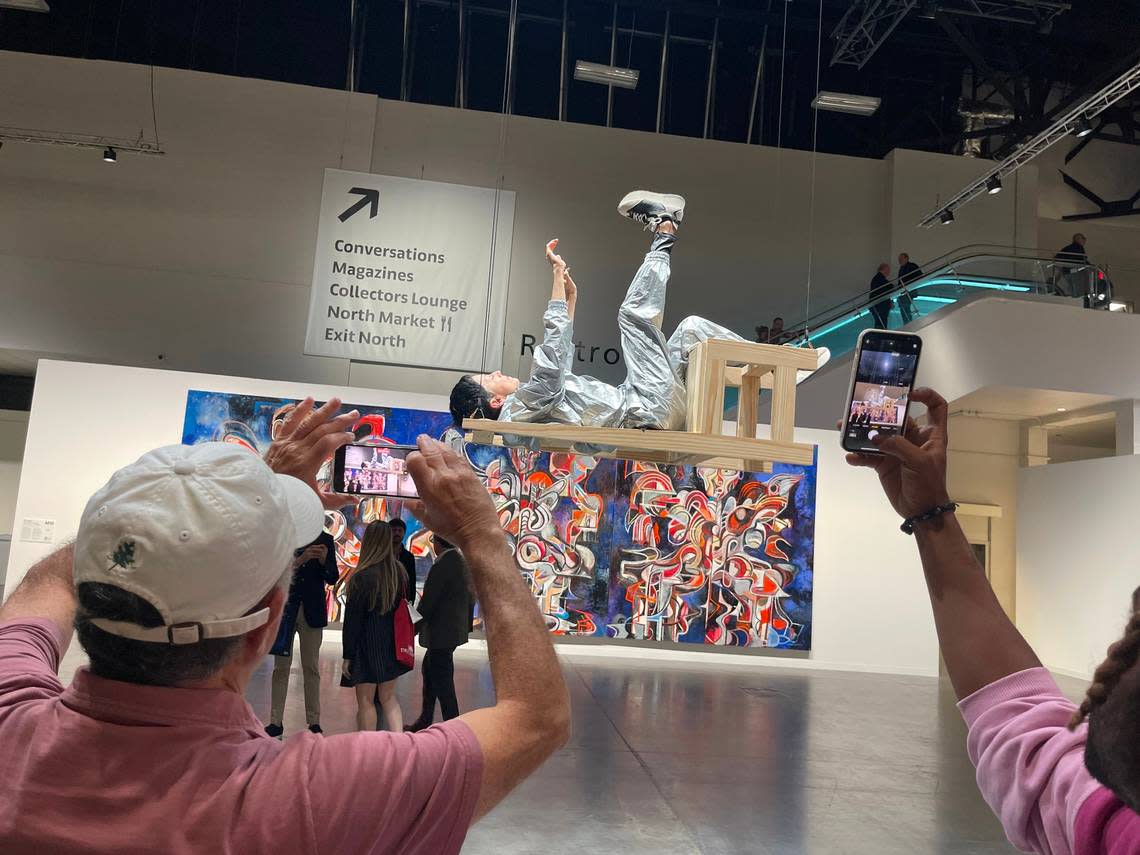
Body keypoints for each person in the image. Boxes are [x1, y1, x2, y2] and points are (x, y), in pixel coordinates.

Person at [0, 397, 570, 852]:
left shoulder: (11, 716)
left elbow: (41, 586)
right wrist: (482, 533)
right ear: (265, 624)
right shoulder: (317, 799)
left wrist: (241, 490)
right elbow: (536, 719)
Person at [847, 387, 1140, 854]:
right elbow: (1026, 740)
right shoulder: (1113, 827)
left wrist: (929, 515)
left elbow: (1027, 748)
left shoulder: (1114, 830)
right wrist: (928, 514)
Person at [448, 190, 828, 431]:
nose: (497, 372)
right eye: (488, 378)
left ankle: (781, 370)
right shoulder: (518, 410)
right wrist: (556, 276)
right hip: (646, 409)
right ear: (494, 401)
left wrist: (570, 299)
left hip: (647, 403)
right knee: (632, 317)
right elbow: (549, 366)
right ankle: (665, 228)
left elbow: (558, 364)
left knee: (694, 328)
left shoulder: (532, 409)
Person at [265, 528, 339, 738]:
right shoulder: (285, 536)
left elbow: (333, 578)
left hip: (312, 611)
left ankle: (314, 721)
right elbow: (277, 572)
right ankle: (275, 721)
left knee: (311, 667)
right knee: (281, 667)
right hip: (287, 610)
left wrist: (325, 561)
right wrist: (302, 558)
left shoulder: (326, 540)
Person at [341, 520, 411, 732]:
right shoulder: (399, 573)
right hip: (391, 644)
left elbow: (353, 622)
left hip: (366, 645)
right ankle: (400, 745)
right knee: (389, 699)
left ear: (368, 542)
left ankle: (369, 750)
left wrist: (348, 655)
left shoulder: (360, 578)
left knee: (366, 702)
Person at [406, 534, 474, 732]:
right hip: (449, 632)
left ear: (436, 543)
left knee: (443, 683)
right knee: (430, 671)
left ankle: (454, 728)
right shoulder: (459, 562)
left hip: (441, 634)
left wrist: (412, 629)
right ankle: (426, 720)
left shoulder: (443, 565)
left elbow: (429, 603)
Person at [389, 517, 418, 603]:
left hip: (401, 600)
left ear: (404, 533)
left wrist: (410, 601)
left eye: (399, 530)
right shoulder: (382, 554)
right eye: (394, 530)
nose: (397, 533)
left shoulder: (409, 557)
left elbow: (412, 581)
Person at [1055, 233, 1090, 298]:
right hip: (1075, 271)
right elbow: (1081, 260)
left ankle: (1074, 301)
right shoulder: (1078, 247)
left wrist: (1063, 269)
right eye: (1083, 238)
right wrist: (1090, 266)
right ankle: (1078, 303)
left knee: (1072, 290)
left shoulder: (1067, 248)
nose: (1084, 241)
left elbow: (1057, 258)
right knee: (1078, 291)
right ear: (1078, 239)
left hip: (1067, 272)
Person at [897, 253, 923, 324]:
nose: (899, 261)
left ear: (906, 258)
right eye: (899, 259)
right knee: (904, 309)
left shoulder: (912, 266)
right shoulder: (902, 268)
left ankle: (908, 324)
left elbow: (919, 276)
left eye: (901, 259)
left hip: (908, 292)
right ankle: (907, 323)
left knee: (905, 308)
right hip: (904, 293)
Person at [868, 262, 893, 329]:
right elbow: (889, 287)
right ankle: (880, 338)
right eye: (888, 269)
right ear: (884, 269)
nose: (889, 272)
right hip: (880, 306)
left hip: (877, 306)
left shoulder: (877, 278)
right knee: (881, 324)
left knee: (879, 324)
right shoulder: (880, 278)